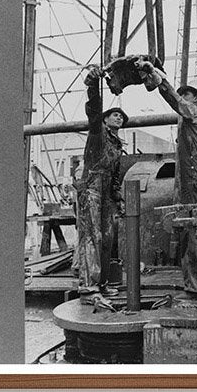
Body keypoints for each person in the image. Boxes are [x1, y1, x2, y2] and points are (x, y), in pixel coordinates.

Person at [142, 63, 197, 298]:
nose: (183, 98)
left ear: (195, 98)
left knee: (195, 225)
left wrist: (159, 80)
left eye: (186, 94)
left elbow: (175, 101)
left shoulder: (196, 113)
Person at [75, 65, 127, 303]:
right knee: (91, 236)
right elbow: (93, 112)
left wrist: (118, 200)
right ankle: (88, 288)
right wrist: (94, 86)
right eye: (115, 115)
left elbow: (116, 177)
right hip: (91, 189)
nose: (119, 118)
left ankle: (102, 283)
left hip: (106, 192)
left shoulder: (117, 146)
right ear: (106, 119)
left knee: (107, 238)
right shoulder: (98, 133)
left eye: (122, 117)